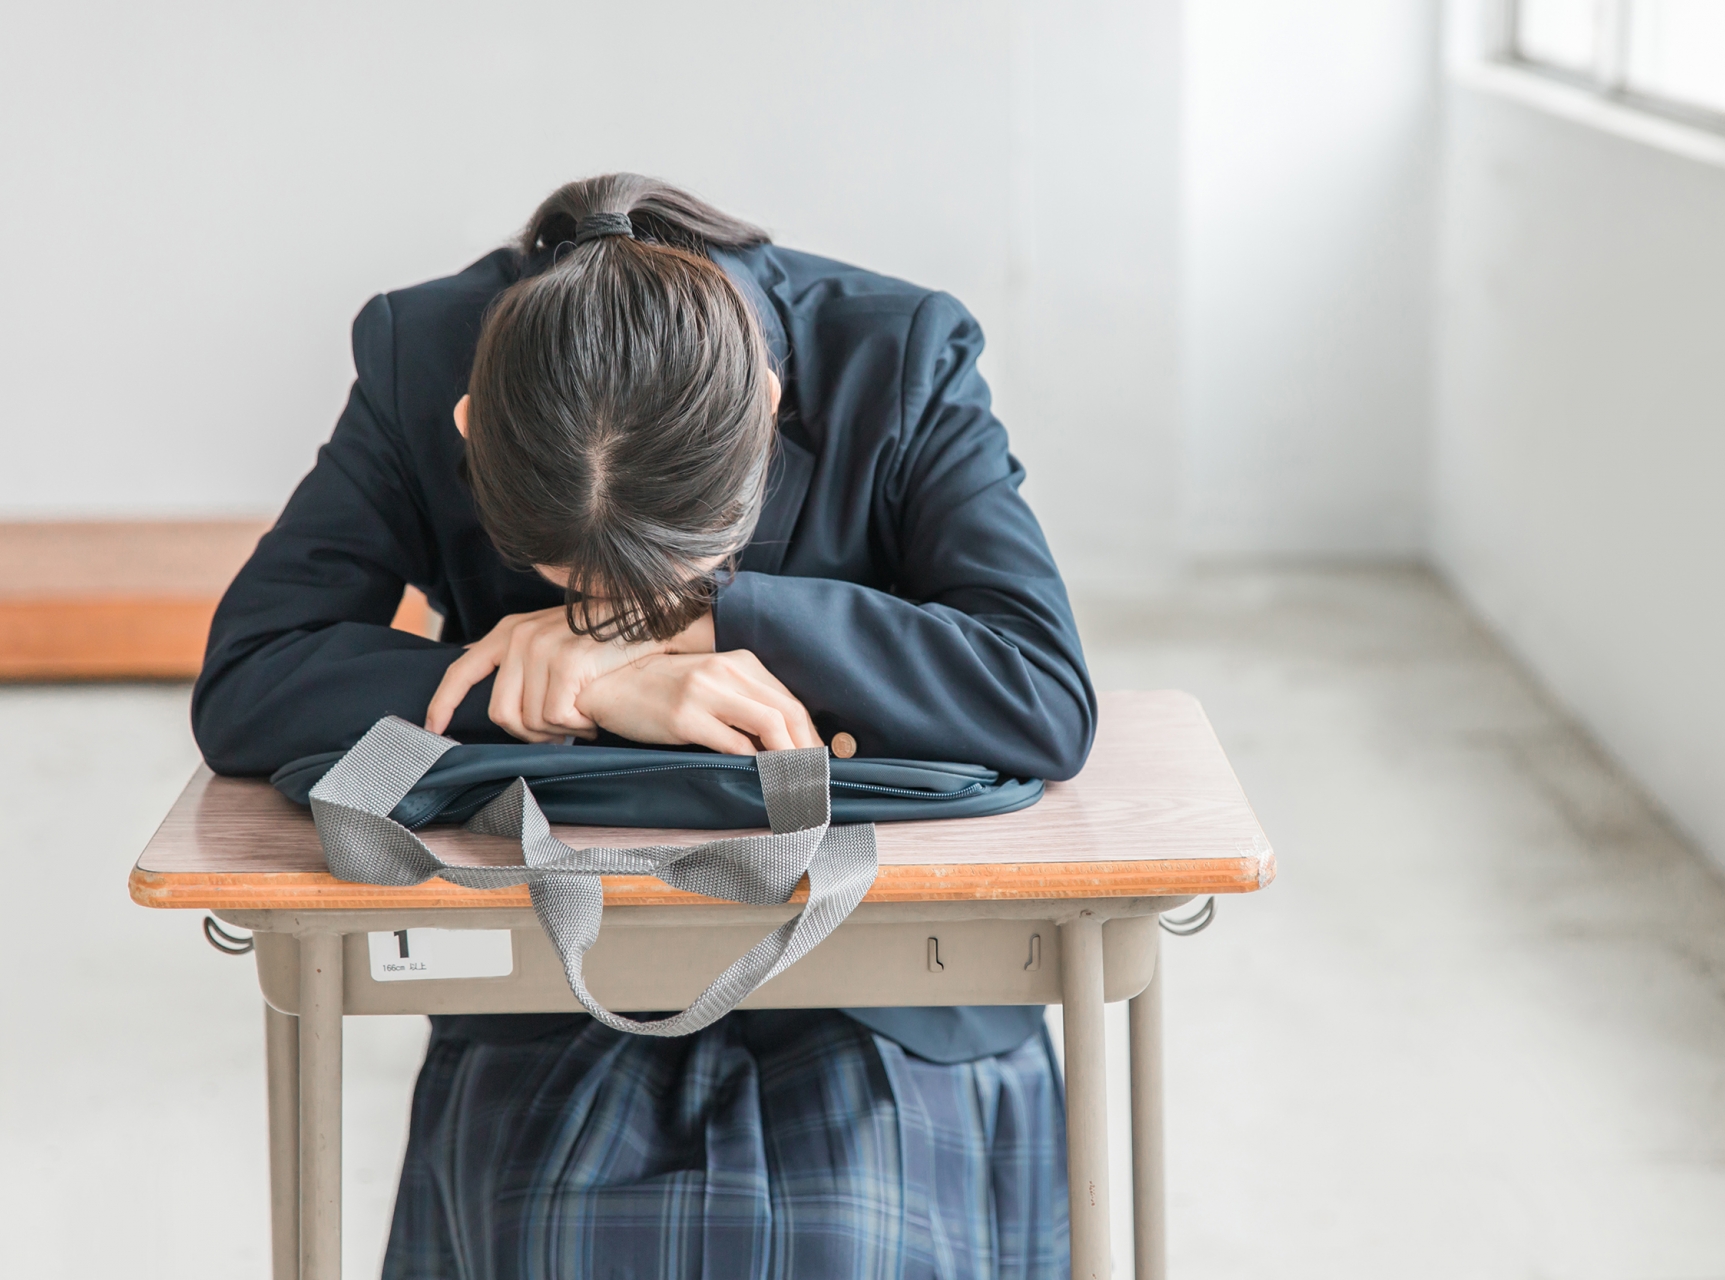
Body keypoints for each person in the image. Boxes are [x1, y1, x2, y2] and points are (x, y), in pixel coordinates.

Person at [193, 173, 1097, 1279]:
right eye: (578, 592)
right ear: (471, 434)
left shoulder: (897, 351)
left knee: (851, 1239)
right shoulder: (420, 357)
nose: (621, 618)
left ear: (764, 405)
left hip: (886, 975)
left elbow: (1041, 689)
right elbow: (251, 676)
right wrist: (550, 684)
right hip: (565, 969)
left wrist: (713, 620)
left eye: (675, 577)